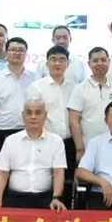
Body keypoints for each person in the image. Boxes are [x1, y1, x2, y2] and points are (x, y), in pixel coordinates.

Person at [27, 45, 78, 174]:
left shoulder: (74, 87)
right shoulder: (36, 87)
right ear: (47, 63)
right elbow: (32, 117)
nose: (57, 63)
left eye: (61, 60)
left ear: (68, 64)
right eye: (53, 59)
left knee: (67, 178)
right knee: (45, 178)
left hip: (69, 143)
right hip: (45, 142)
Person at [69, 47, 112, 162]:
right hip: (88, 148)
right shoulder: (79, 89)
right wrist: (79, 149)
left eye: (103, 60)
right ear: (89, 64)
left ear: (109, 62)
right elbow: (74, 121)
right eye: (95, 60)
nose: (100, 63)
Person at [0, 37, 39, 151]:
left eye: (21, 50)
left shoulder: (35, 78)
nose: (17, 53)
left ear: (26, 54)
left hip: (28, 129)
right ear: (6, 52)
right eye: (13, 50)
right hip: (3, 130)